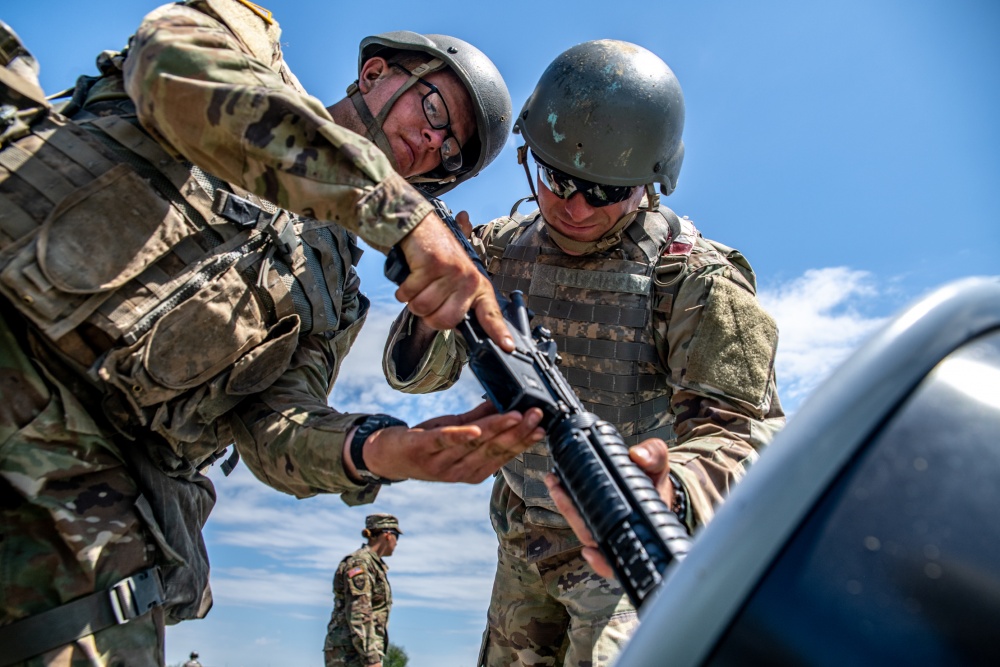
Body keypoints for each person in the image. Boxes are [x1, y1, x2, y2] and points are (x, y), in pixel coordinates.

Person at [0, 4, 545, 665]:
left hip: (85, 478)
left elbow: (272, 427)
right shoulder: (249, 48)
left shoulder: (333, 289)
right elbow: (173, 71)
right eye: (434, 111)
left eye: (450, 154)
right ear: (375, 72)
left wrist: (389, 450)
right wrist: (396, 214)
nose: (434, 147)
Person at [382, 40, 785, 666]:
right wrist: (432, 311)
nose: (571, 206)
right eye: (555, 178)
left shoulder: (694, 279)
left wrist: (670, 487)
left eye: (601, 192)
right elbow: (420, 379)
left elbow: (748, 436)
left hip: (625, 544)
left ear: (650, 182)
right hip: (524, 543)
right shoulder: (494, 251)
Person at [323, 514, 402, 667]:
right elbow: (359, 612)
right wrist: (371, 659)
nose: (397, 543)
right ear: (387, 535)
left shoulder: (373, 565)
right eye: (396, 536)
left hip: (357, 651)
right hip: (351, 653)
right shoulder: (361, 563)